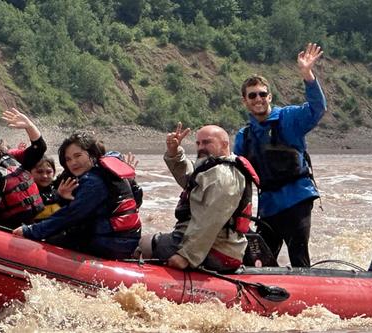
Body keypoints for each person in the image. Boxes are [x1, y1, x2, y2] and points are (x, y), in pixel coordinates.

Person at [233, 43, 327, 268]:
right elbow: (236, 176)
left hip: (297, 199)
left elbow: (317, 109)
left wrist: (308, 75)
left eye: (262, 94)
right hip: (268, 206)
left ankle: (306, 295)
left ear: (270, 96)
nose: (258, 99)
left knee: (298, 256)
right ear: (245, 101)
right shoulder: (244, 137)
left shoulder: (290, 118)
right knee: (258, 260)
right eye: (252, 95)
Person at [138, 123, 258, 272]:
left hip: (217, 248)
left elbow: (210, 221)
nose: (201, 147)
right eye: (198, 143)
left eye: (207, 142)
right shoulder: (214, 167)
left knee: (144, 244)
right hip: (212, 243)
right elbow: (190, 178)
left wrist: (186, 256)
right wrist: (174, 152)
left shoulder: (223, 177)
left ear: (225, 144)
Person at [13, 131, 142, 259]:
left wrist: (30, 231)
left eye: (78, 155)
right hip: (126, 241)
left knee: (50, 241)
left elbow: (71, 215)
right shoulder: (110, 170)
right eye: (68, 159)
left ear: (91, 154)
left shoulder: (93, 181)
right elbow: (136, 200)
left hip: (111, 244)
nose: (73, 163)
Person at [30, 156, 77, 222]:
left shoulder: (57, 190)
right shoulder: (27, 194)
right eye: (39, 172)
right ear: (29, 173)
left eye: (49, 172)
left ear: (54, 173)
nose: (45, 176)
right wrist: (60, 197)